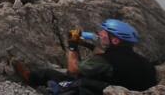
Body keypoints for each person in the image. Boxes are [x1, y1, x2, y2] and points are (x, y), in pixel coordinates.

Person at [13, 19, 158, 94]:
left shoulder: (104, 61)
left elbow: (72, 69)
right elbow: (111, 59)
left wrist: (72, 45)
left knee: (53, 74)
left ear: (115, 40)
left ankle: (30, 78)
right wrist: (88, 45)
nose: (100, 34)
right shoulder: (145, 63)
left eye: (104, 33)